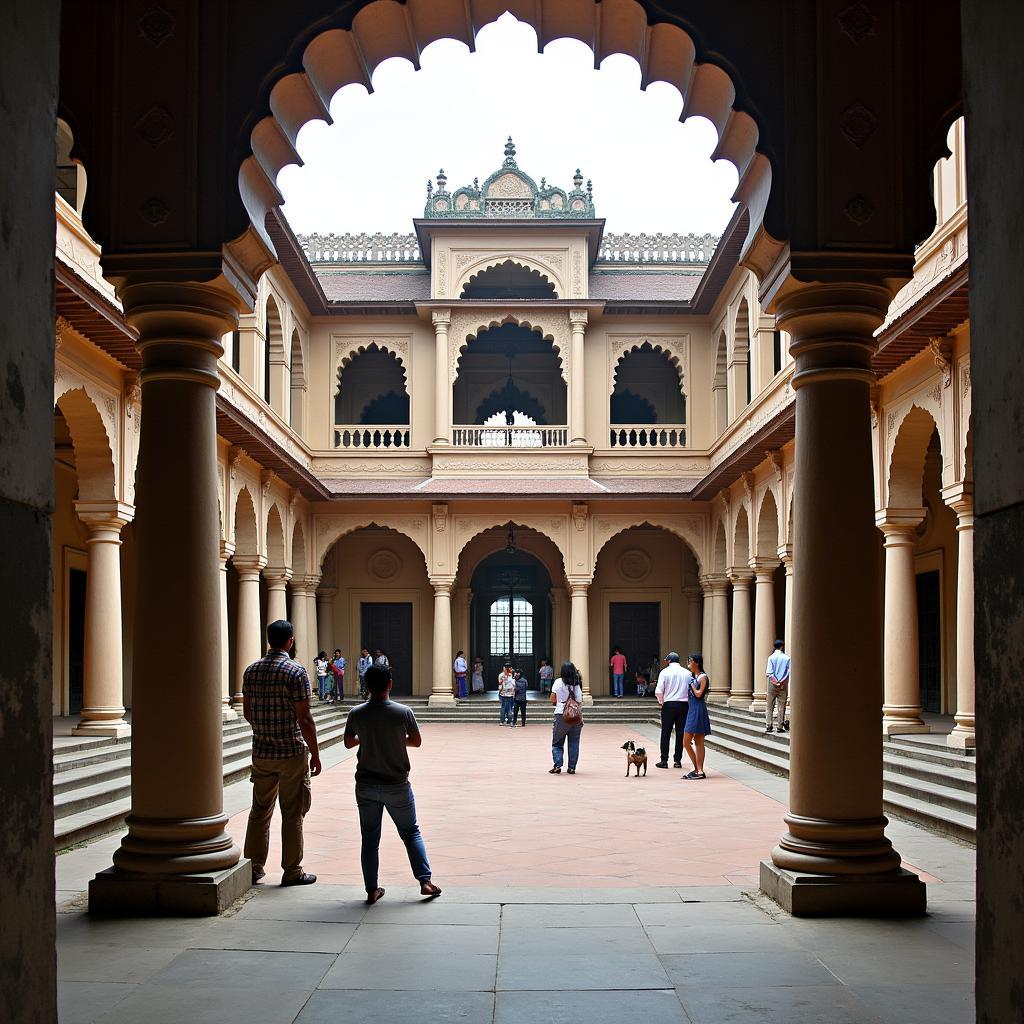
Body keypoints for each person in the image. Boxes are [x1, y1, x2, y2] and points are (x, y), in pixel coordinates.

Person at [343, 663, 442, 905]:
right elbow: (416, 741)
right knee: (410, 832)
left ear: (367, 686)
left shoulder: (357, 713)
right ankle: (425, 881)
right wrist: (395, 740)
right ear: (390, 684)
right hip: (397, 784)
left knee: (369, 838)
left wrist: (367, 738)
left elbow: (348, 742)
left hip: (366, 785)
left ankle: (371, 889)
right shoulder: (403, 712)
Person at [242, 618, 321, 886]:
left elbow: (248, 713)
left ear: (269, 640)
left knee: (259, 810)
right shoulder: (296, 672)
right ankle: (292, 870)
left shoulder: (251, 671)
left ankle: (253, 866)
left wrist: (264, 731)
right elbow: (305, 718)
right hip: (290, 752)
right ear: (290, 641)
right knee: (292, 811)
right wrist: (315, 753)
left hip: (262, 751)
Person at [654, 652, 691, 769]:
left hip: (669, 704)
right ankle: (677, 760)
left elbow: (659, 690)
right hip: (684, 705)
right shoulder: (687, 673)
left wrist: (662, 702)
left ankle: (664, 760)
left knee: (666, 732)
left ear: (669, 661)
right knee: (680, 734)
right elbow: (691, 690)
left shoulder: (664, 672)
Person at [549, 661, 583, 774]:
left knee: (557, 742)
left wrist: (560, 703)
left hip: (561, 714)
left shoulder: (558, 682)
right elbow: (579, 700)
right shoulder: (576, 683)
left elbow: (553, 699)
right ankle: (572, 767)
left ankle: (558, 765)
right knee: (574, 742)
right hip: (575, 716)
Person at [682, 653, 711, 780]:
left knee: (697, 741)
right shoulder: (692, 676)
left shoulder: (702, 677)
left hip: (698, 709)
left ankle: (699, 769)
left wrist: (692, 684)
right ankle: (697, 768)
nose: (688, 662)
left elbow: (699, 694)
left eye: (691, 660)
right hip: (692, 709)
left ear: (697, 663)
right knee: (687, 742)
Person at [765, 639, 792, 733]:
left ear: (774, 646)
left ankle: (769, 725)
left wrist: (775, 682)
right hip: (783, 685)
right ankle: (779, 726)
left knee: (769, 706)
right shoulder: (787, 658)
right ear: (782, 646)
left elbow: (769, 673)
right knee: (781, 706)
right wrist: (781, 682)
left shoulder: (771, 658)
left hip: (772, 684)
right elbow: (789, 672)